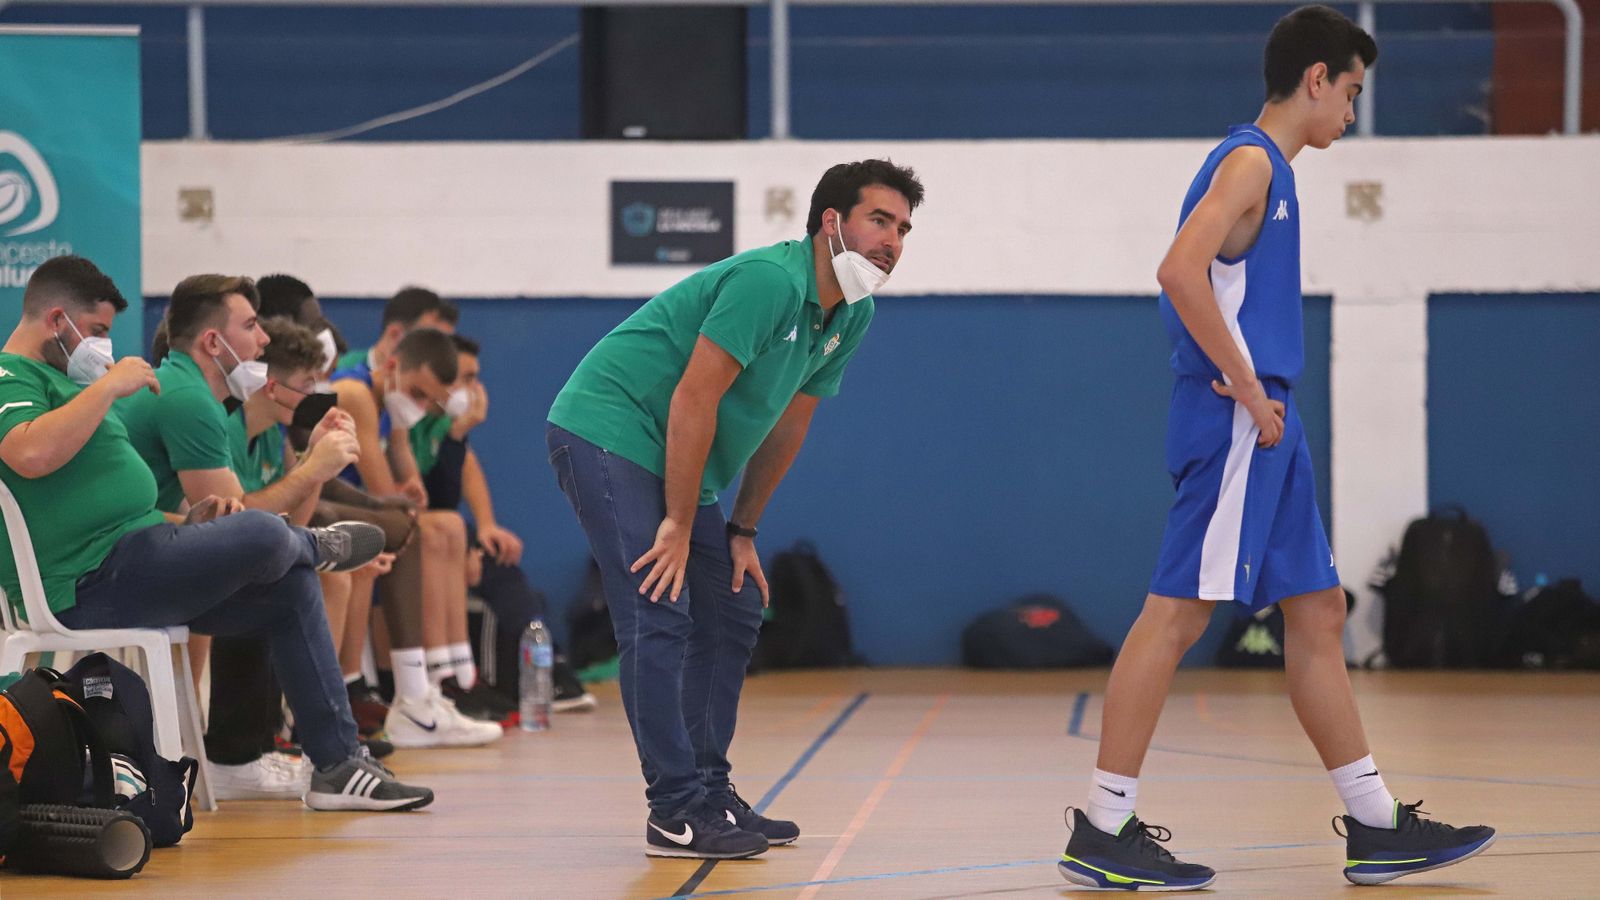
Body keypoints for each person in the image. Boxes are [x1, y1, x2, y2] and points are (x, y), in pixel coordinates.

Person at [1056, 7, 1493, 890]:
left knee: (1320, 610)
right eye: (1353, 92)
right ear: (1317, 78)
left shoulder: (1277, 171)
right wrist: (1250, 391)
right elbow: (1178, 270)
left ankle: (1375, 824)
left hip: (1268, 427)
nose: (1354, 112)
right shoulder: (1251, 159)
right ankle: (1103, 826)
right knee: (1177, 613)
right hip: (1238, 421)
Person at [547, 159, 923, 859]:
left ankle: (709, 791)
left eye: (903, 228)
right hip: (610, 429)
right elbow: (695, 396)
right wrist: (680, 524)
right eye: (880, 220)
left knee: (734, 603)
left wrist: (743, 528)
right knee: (657, 605)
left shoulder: (855, 312)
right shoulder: (768, 283)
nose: (893, 241)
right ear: (831, 222)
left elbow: (789, 423)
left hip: (685, 459)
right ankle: (673, 809)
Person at [0, 255, 431, 811]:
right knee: (266, 533)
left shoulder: (72, 383)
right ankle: (314, 546)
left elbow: (128, 512)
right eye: (99, 331)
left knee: (289, 584)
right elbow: (28, 453)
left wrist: (192, 525)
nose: (104, 347)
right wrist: (108, 389)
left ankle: (338, 765)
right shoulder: (12, 376)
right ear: (58, 320)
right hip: (84, 584)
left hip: (138, 556)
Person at [331, 322, 501, 746]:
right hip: (332, 505)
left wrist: (410, 488)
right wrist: (400, 499)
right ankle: (407, 691)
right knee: (407, 530)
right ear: (391, 367)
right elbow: (378, 489)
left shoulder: (391, 401)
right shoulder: (355, 394)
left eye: (430, 401)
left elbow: (400, 466)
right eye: (418, 393)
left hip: (348, 507)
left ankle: (436, 681)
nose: (420, 405)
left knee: (436, 523)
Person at [412, 334, 596, 714]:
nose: (472, 389)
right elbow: (423, 499)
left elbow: (461, 473)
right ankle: (451, 680)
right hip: (417, 534)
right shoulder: (412, 423)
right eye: (463, 378)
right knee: (458, 542)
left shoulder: (439, 428)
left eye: (474, 378)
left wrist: (485, 526)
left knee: (498, 555)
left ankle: (537, 668)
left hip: (439, 528)